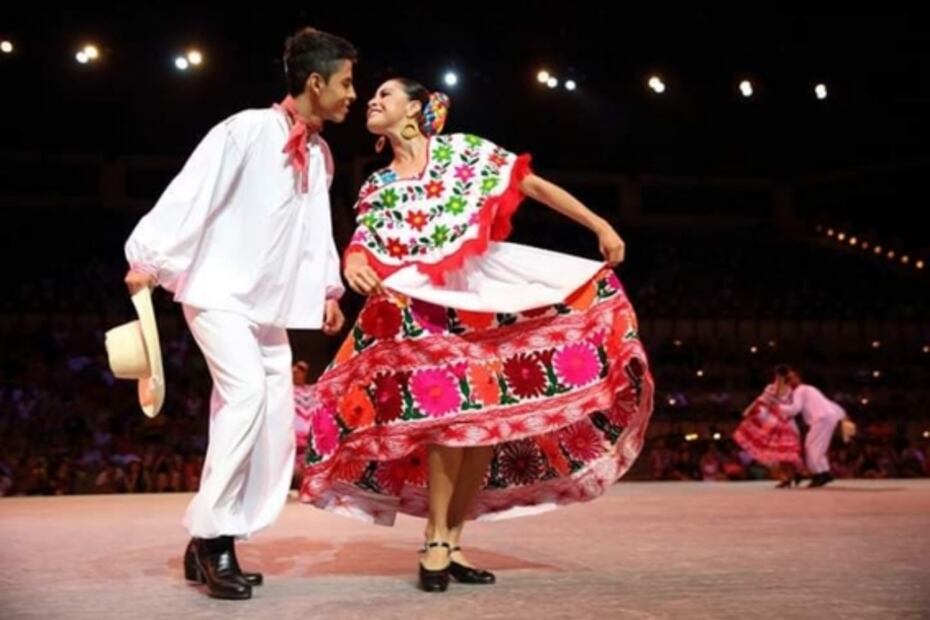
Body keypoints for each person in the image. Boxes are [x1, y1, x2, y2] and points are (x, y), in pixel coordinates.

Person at [299, 78, 654, 592]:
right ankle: (436, 541)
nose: (372, 101)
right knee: (449, 423)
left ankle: (451, 538)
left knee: (482, 427)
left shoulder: (463, 153)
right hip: (419, 314)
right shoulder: (377, 185)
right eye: (370, 96)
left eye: (385, 95)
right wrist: (352, 261)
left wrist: (597, 223)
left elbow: (532, 184)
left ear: (414, 109)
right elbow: (364, 240)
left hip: (480, 310)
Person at [122, 27, 356, 600]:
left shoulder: (319, 152)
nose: (353, 94)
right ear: (315, 82)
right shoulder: (247, 129)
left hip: (266, 306)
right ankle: (213, 541)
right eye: (347, 83)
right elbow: (193, 190)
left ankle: (210, 531)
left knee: (274, 417)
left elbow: (314, 231)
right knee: (247, 396)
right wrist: (149, 257)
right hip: (218, 293)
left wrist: (327, 288)